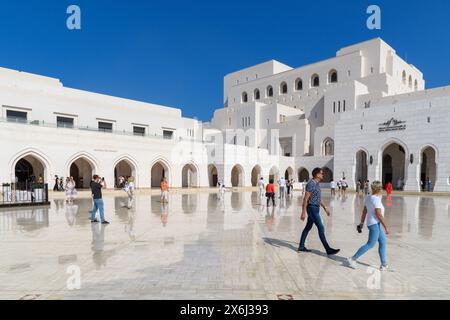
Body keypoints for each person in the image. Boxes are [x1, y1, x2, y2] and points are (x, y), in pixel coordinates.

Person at [347, 181, 390, 271]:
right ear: (379, 189)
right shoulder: (376, 199)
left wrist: (362, 223)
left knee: (382, 242)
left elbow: (364, 211)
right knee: (370, 244)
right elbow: (379, 214)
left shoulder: (368, 197)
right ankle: (352, 259)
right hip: (374, 224)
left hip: (373, 223)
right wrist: (386, 227)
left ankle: (384, 264)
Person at [298, 168, 340, 255]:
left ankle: (301, 246)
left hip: (316, 208)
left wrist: (325, 208)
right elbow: (305, 199)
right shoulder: (311, 184)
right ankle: (328, 249)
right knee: (321, 227)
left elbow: (318, 198)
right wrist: (303, 212)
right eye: (321, 173)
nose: (323, 175)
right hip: (312, 208)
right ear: (317, 175)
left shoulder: (316, 184)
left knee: (308, 227)